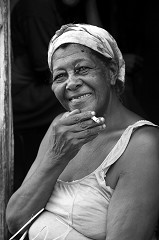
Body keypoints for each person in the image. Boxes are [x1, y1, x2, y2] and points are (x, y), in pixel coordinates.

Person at [6, 24, 159, 240]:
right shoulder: (61, 128)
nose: (71, 83)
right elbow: (15, 220)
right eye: (60, 76)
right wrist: (57, 156)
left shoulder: (142, 144)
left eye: (82, 69)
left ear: (112, 72)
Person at [11, 0, 65, 190]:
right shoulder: (37, 7)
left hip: (35, 92)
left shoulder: (56, 7)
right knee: (85, 97)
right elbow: (48, 71)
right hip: (16, 99)